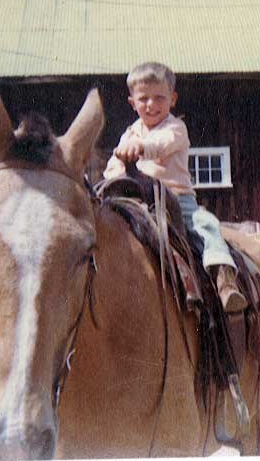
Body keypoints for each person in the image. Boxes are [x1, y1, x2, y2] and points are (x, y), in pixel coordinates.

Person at [104, 62, 248, 313]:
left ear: (172, 99)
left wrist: (141, 148)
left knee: (206, 226)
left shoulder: (175, 127)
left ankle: (224, 276)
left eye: (159, 98)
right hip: (139, 199)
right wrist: (114, 174)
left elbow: (163, 143)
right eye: (143, 98)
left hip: (176, 198)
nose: (151, 104)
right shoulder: (128, 133)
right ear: (132, 103)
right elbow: (114, 163)